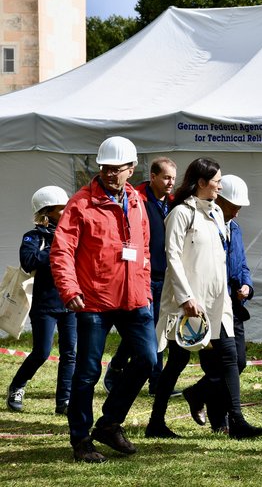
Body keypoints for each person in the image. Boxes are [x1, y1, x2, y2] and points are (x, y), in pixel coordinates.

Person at [50, 136, 158, 464]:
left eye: (117, 169)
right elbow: (61, 250)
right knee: (87, 372)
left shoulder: (137, 202)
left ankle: (110, 423)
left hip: (135, 299)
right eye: (106, 168)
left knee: (148, 360)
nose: (111, 174)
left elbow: (144, 250)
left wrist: (147, 291)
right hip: (93, 301)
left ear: (131, 168)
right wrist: (70, 290)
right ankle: (81, 439)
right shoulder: (80, 203)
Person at [146, 159, 262, 440]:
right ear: (201, 182)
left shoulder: (215, 215)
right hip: (188, 305)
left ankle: (236, 420)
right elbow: (172, 257)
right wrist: (186, 297)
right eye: (217, 181)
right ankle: (156, 422)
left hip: (217, 304)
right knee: (175, 362)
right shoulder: (181, 213)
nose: (220, 186)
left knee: (229, 358)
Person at [182, 174, 254, 432]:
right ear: (219, 200)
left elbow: (242, 264)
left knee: (238, 362)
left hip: (233, 304)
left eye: (239, 208)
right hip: (209, 304)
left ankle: (196, 394)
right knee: (218, 364)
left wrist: (247, 284)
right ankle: (220, 422)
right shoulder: (202, 225)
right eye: (233, 206)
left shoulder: (235, 229)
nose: (237, 212)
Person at [104, 157, 177, 396]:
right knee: (145, 328)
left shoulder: (174, 204)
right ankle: (121, 368)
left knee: (155, 329)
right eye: (166, 177)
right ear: (153, 177)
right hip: (142, 275)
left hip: (167, 275)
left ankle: (150, 379)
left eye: (173, 179)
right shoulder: (137, 200)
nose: (170, 183)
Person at [6, 186, 76, 415]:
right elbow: (28, 261)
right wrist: (58, 247)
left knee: (70, 353)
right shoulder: (33, 236)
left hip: (71, 301)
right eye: (61, 207)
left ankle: (64, 402)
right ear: (48, 211)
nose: (67, 210)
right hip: (45, 304)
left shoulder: (73, 233)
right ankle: (17, 386)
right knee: (42, 351)